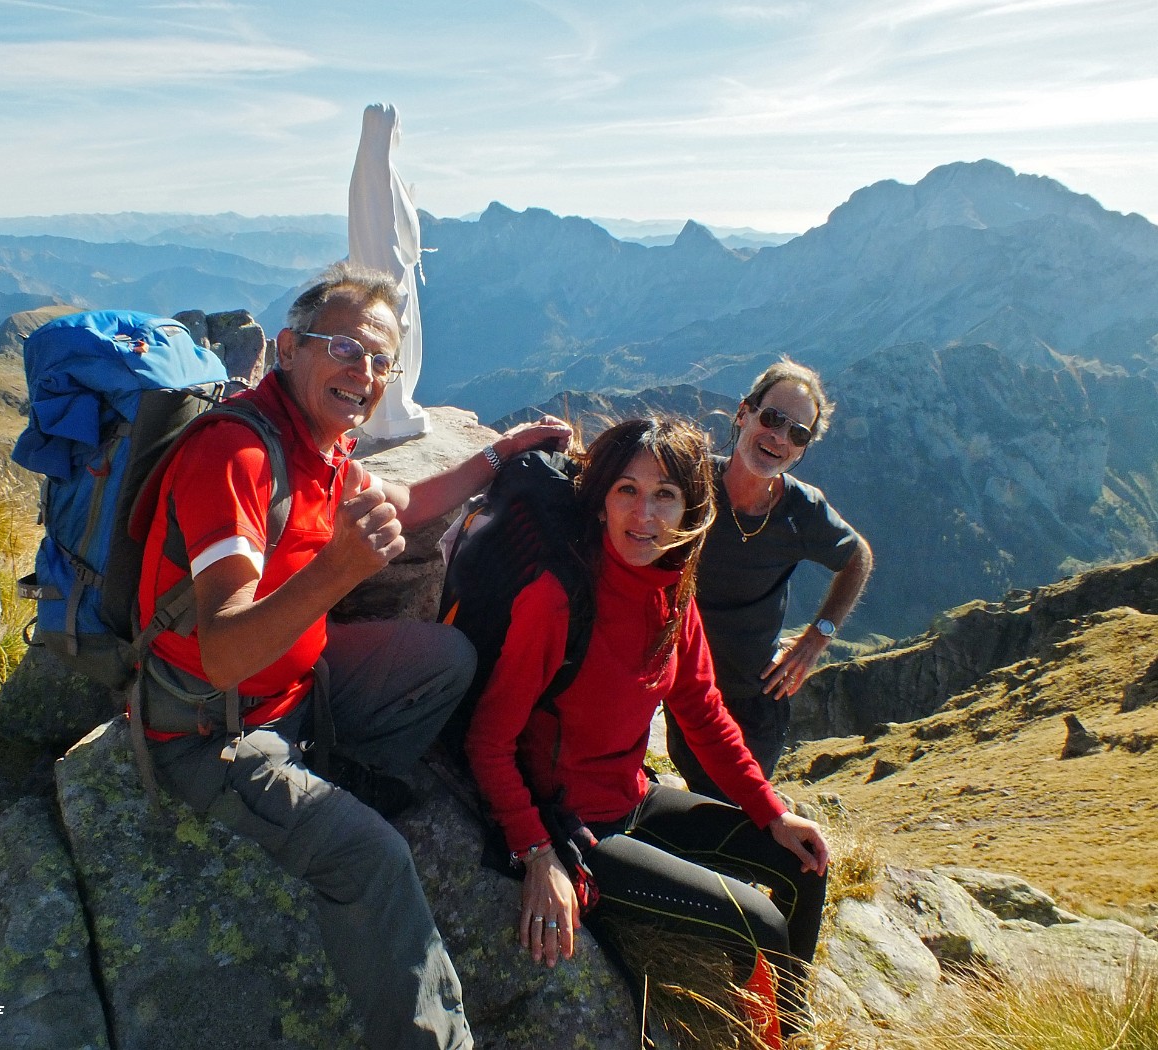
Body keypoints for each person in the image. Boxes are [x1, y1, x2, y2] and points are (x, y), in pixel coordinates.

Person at [134, 261, 572, 1050]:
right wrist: (337, 571)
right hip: (217, 733)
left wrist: (500, 455)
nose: (363, 373)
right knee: (373, 857)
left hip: (304, 690)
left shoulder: (320, 446)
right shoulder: (238, 456)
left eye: (379, 360)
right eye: (344, 347)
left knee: (445, 659)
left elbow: (406, 504)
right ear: (287, 347)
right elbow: (223, 652)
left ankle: (345, 770)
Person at [465, 418, 831, 1046]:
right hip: (581, 828)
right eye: (626, 491)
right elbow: (487, 743)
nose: (644, 514)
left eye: (664, 494)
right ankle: (770, 1038)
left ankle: (790, 1033)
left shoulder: (673, 591)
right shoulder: (557, 600)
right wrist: (537, 853)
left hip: (635, 794)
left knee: (804, 865)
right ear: (601, 500)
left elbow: (703, 710)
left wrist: (771, 812)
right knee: (762, 924)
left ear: (691, 507)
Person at [666, 359, 873, 798]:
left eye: (799, 434)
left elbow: (858, 559)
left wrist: (818, 637)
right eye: (773, 418)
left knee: (732, 810)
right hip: (683, 689)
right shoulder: (692, 483)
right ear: (744, 413)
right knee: (690, 792)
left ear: (802, 450)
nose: (780, 437)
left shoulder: (803, 510)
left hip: (753, 700)